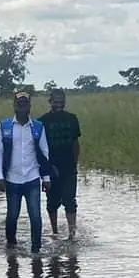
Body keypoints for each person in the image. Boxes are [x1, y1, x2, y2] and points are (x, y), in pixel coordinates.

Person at [0, 91, 52, 255]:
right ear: (14, 106)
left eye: (25, 103)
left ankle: (36, 249)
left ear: (30, 106)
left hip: (32, 178)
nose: (22, 106)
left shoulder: (38, 127)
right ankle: (11, 246)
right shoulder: (4, 126)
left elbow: (44, 154)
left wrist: (46, 178)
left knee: (35, 215)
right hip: (12, 178)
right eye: (19, 103)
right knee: (11, 216)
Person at [38, 88, 81, 240]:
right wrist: (45, 169)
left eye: (61, 102)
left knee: (70, 201)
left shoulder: (72, 119)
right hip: (51, 168)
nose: (58, 105)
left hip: (69, 166)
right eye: (55, 102)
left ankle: (72, 233)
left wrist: (75, 164)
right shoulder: (42, 121)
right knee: (52, 202)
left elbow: (76, 143)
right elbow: (40, 149)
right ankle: (55, 232)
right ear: (50, 102)